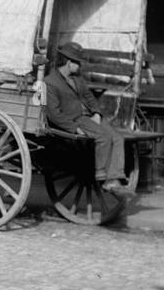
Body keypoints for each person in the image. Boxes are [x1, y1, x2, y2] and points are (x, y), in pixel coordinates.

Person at [44, 42, 129, 192]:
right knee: (104, 138)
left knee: (118, 138)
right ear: (69, 63)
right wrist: (74, 128)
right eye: (78, 63)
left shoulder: (77, 78)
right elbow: (54, 114)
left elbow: (89, 97)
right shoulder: (50, 83)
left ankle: (114, 177)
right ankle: (102, 176)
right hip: (77, 119)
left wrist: (96, 112)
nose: (80, 66)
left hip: (90, 116)